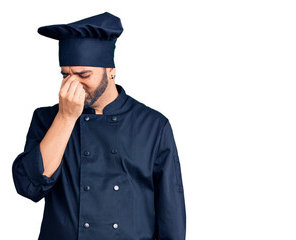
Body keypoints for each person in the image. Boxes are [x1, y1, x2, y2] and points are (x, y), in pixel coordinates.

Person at [11, 12, 186, 240]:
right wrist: (65, 118)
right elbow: (29, 187)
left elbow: (170, 216)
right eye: (66, 75)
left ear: (111, 71)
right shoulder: (46, 119)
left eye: (84, 74)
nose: (73, 84)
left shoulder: (152, 125)